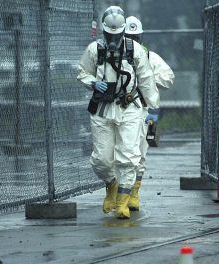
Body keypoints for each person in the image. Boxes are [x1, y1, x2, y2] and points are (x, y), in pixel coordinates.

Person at [77, 6, 159, 219]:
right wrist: (93, 83)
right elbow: (82, 72)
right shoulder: (95, 50)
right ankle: (111, 185)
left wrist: (153, 108)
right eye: (109, 34)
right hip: (103, 109)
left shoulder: (135, 50)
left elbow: (147, 80)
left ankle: (123, 201)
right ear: (104, 32)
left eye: (117, 34)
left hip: (129, 107)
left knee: (128, 155)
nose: (112, 38)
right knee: (102, 160)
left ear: (123, 31)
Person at [124, 16, 175, 211]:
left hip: (143, 111)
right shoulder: (113, 59)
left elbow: (168, 78)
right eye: (128, 38)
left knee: (140, 154)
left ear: (141, 38)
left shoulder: (149, 57)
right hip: (119, 113)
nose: (132, 42)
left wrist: (147, 80)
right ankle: (119, 193)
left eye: (135, 38)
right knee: (118, 156)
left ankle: (133, 194)